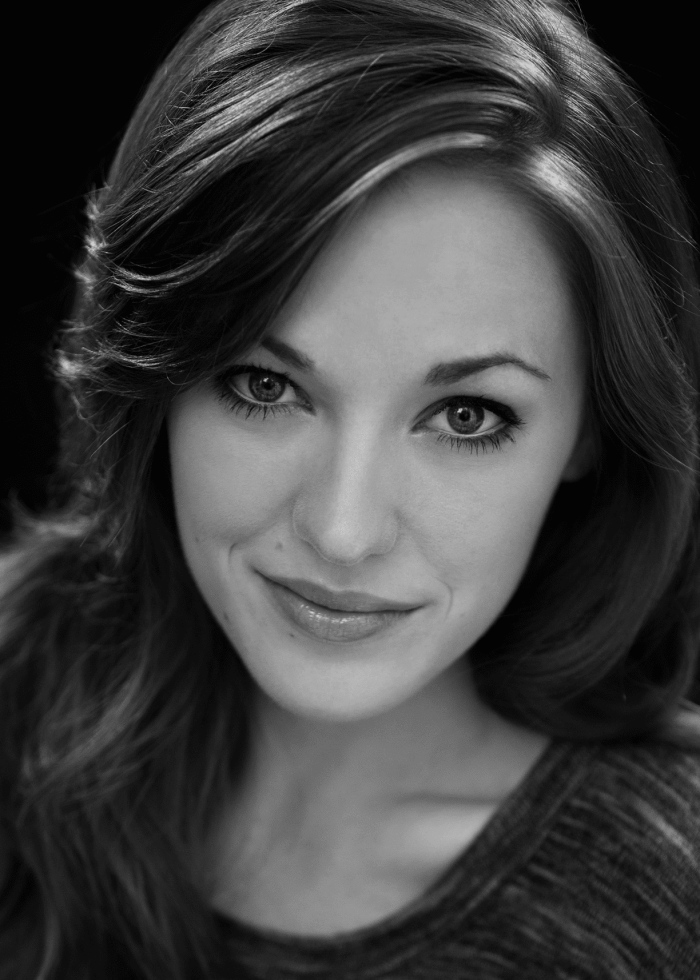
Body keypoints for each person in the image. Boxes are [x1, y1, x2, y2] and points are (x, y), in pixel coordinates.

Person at [2, 0, 699, 977]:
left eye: (465, 415)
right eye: (265, 385)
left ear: (589, 428)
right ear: (154, 380)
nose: (341, 528)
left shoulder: (667, 892)